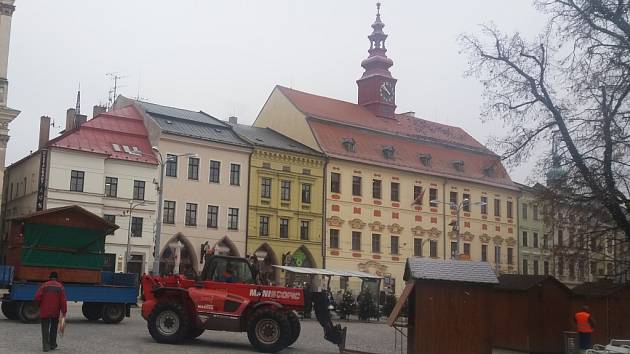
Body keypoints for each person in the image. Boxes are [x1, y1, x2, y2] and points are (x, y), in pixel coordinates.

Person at [34, 272, 67, 352]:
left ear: (50, 277)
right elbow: (63, 300)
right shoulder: (60, 287)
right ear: (57, 278)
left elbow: (37, 296)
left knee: (45, 328)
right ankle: (52, 345)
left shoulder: (44, 285)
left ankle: (45, 347)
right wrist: (64, 311)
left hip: (45, 311)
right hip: (55, 311)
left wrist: (38, 305)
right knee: (54, 328)